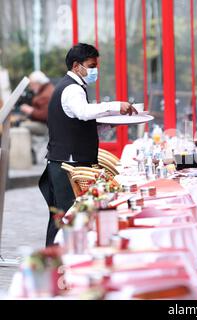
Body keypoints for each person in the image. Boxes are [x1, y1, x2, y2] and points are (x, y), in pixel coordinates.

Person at [39, 43, 137, 246]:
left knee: (65, 219)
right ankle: (57, 264)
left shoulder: (73, 87)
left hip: (67, 161)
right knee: (67, 219)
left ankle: (57, 263)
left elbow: (80, 124)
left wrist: (111, 121)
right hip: (67, 165)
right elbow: (84, 112)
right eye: (91, 66)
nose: (95, 70)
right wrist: (115, 106)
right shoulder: (72, 89)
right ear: (77, 66)